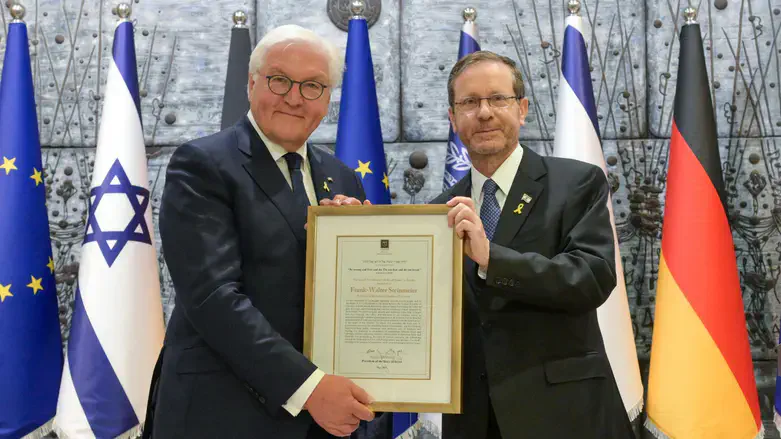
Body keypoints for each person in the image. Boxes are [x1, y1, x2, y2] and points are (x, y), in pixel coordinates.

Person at [144, 25, 378, 439]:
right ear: (252, 84)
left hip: (328, 421)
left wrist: (361, 253)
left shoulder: (342, 179)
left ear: (327, 101)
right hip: (225, 415)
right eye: (280, 79)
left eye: (312, 86)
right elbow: (213, 298)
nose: (294, 97)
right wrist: (310, 389)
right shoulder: (202, 164)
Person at [433, 51, 634, 439]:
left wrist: (491, 258)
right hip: (473, 418)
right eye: (470, 102)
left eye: (498, 99)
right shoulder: (439, 212)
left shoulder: (576, 184)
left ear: (522, 109)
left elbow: (592, 277)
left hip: (565, 414)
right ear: (452, 118)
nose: (485, 112)